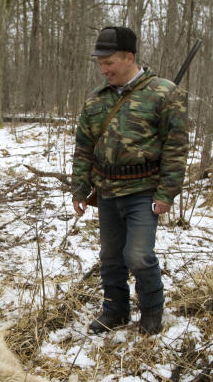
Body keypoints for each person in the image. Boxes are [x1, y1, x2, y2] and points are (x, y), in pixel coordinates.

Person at [70, 26, 189, 336]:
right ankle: (115, 311)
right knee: (110, 257)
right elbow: (83, 147)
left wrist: (168, 192)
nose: (104, 69)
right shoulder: (96, 101)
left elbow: (176, 148)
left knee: (138, 256)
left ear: (129, 57)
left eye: (109, 62)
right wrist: (80, 188)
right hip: (107, 191)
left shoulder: (164, 93)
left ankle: (151, 313)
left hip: (143, 192)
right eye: (100, 63)